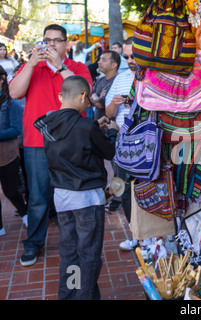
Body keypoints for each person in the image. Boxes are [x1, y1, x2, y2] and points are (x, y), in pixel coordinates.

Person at [9, 24, 93, 267]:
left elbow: (83, 95)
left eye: (57, 40)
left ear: (66, 44)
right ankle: (34, 243)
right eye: (48, 40)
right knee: (37, 197)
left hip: (72, 143)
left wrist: (59, 67)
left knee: (75, 194)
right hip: (37, 142)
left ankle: (80, 242)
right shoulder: (31, 67)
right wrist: (31, 64)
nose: (52, 44)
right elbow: (14, 93)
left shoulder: (75, 68)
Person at [33, 75, 119, 300]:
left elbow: (72, 138)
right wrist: (111, 131)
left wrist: (93, 128)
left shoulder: (49, 122)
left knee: (70, 253)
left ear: (62, 96)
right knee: (89, 255)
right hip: (87, 199)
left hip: (62, 197)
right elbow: (109, 151)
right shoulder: (86, 126)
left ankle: (70, 295)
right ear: (84, 96)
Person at [104, 37, 138, 250]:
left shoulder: (155, 77)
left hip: (150, 144)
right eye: (126, 56)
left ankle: (157, 235)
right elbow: (108, 113)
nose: (129, 60)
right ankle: (135, 233)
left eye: (133, 56)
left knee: (153, 188)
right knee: (125, 190)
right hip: (124, 143)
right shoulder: (122, 77)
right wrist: (115, 105)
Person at [0, 65, 28, 236]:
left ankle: (25, 214)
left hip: (7, 154)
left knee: (11, 190)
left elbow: (17, 129)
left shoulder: (10, 102)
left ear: (2, 78)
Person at [91, 50, 120, 120]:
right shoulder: (100, 80)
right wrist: (96, 98)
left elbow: (101, 104)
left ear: (113, 65)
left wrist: (95, 97)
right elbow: (90, 98)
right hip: (98, 126)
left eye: (103, 60)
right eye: (100, 59)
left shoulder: (119, 81)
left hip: (112, 126)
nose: (98, 62)